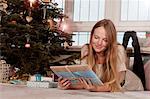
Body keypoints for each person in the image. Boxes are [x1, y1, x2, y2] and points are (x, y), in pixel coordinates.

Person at [58, 19, 144, 92]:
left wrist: (96, 88)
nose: (99, 43)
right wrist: (68, 85)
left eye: (105, 40)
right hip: (103, 89)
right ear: (91, 36)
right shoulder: (86, 49)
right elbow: (85, 83)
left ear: (110, 41)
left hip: (131, 88)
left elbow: (116, 85)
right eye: (96, 37)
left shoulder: (118, 50)